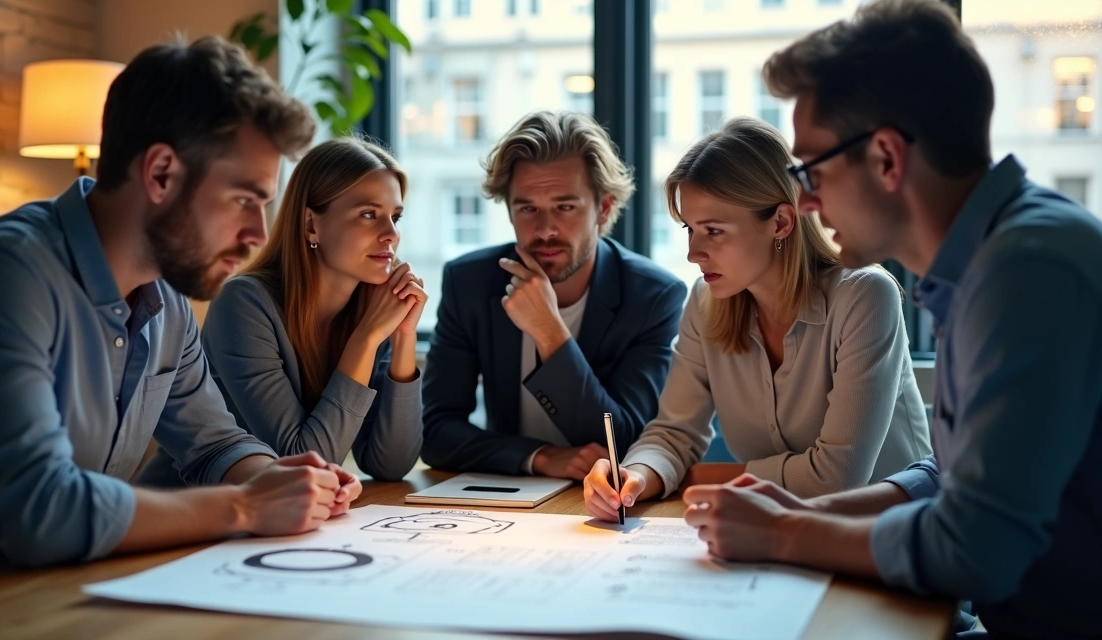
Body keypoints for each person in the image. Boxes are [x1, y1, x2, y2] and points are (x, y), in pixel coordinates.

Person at [679, 2, 1102, 638]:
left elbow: (976, 548)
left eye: (813, 170)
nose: (806, 201)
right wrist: (799, 513)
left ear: (885, 158)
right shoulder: (983, 264)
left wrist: (786, 533)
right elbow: (947, 475)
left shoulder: (1027, 271)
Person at [0, 36, 360, 596]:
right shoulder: (3, 272)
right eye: (244, 200)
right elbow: (38, 512)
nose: (259, 233)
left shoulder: (168, 300)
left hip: (63, 590)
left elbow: (215, 444)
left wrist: (286, 480)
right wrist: (244, 505)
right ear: (160, 173)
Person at [583, 117, 930, 521]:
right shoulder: (706, 301)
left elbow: (837, 477)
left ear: (781, 222)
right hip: (775, 528)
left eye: (714, 230)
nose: (694, 253)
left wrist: (709, 477)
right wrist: (636, 476)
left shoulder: (864, 295)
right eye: (690, 229)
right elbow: (674, 432)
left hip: (888, 534)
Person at [138, 138, 425, 485]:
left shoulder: (372, 308)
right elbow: (300, 464)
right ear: (311, 225)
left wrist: (404, 335)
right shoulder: (243, 304)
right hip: (187, 511)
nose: (391, 234)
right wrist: (366, 339)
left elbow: (391, 465)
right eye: (368, 214)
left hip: (277, 515)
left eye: (395, 217)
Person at [422, 110, 687, 479]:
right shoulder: (470, 283)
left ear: (603, 208)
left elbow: (625, 442)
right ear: (510, 212)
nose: (545, 229)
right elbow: (434, 431)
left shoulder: (653, 297)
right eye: (527, 208)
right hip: (508, 493)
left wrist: (549, 331)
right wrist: (540, 457)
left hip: (611, 499)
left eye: (565, 207)